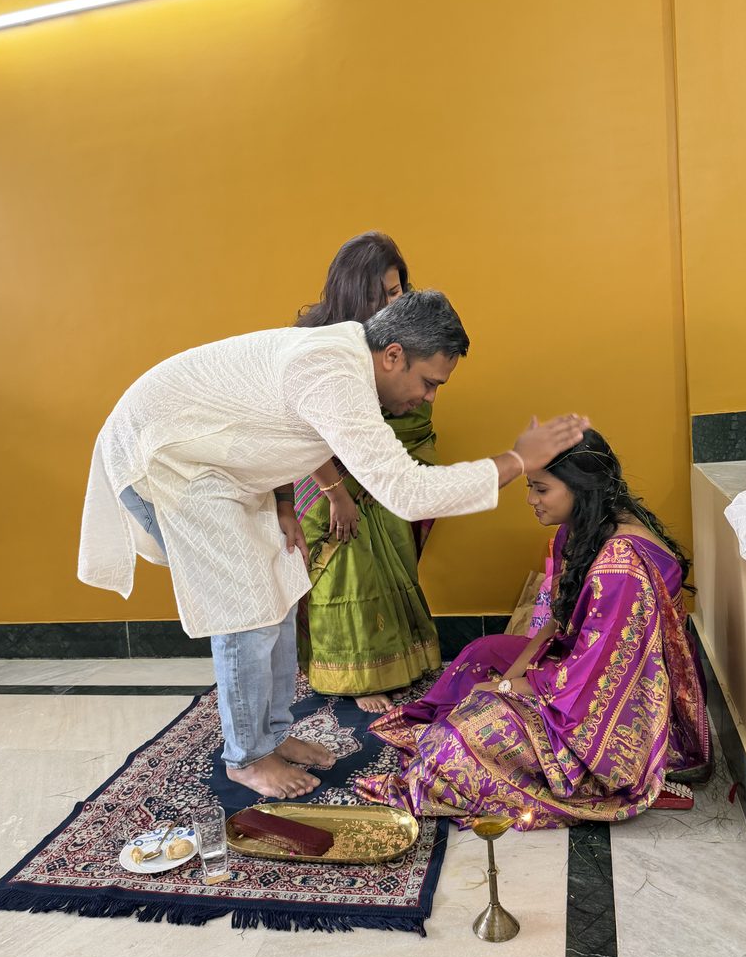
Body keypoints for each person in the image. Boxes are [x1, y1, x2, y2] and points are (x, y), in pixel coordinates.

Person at [78, 290, 589, 800]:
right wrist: (516, 461)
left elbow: (267, 424)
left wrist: (282, 504)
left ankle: (272, 735)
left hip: (216, 460)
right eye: (429, 382)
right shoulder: (334, 374)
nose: (431, 397)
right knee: (245, 613)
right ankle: (247, 757)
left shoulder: (345, 364)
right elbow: (406, 491)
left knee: (278, 585)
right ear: (393, 355)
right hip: (164, 461)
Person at [354, 430, 711, 828]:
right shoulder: (580, 528)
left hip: (619, 711)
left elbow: (597, 686)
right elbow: (559, 620)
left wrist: (507, 691)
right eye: (530, 487)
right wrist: (509, 678)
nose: (530, 499)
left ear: (581, 488)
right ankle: (471, 720)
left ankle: (461, 747)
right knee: (480, 656)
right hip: (583, 668)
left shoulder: (621, 568)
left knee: (457, 742)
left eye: (540, 489)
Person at [294, 232, 441, 713]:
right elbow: (301, 428)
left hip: (386, 472)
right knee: (349, 565)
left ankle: (397, 659)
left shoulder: (401, 337)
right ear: (354, 293)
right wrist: (337, 493)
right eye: (381, 294)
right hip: (327, 477)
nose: (392, 302)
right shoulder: (319, 344)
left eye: (398, 290)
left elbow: (412, 402)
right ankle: (354, 676)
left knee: (391, 558)